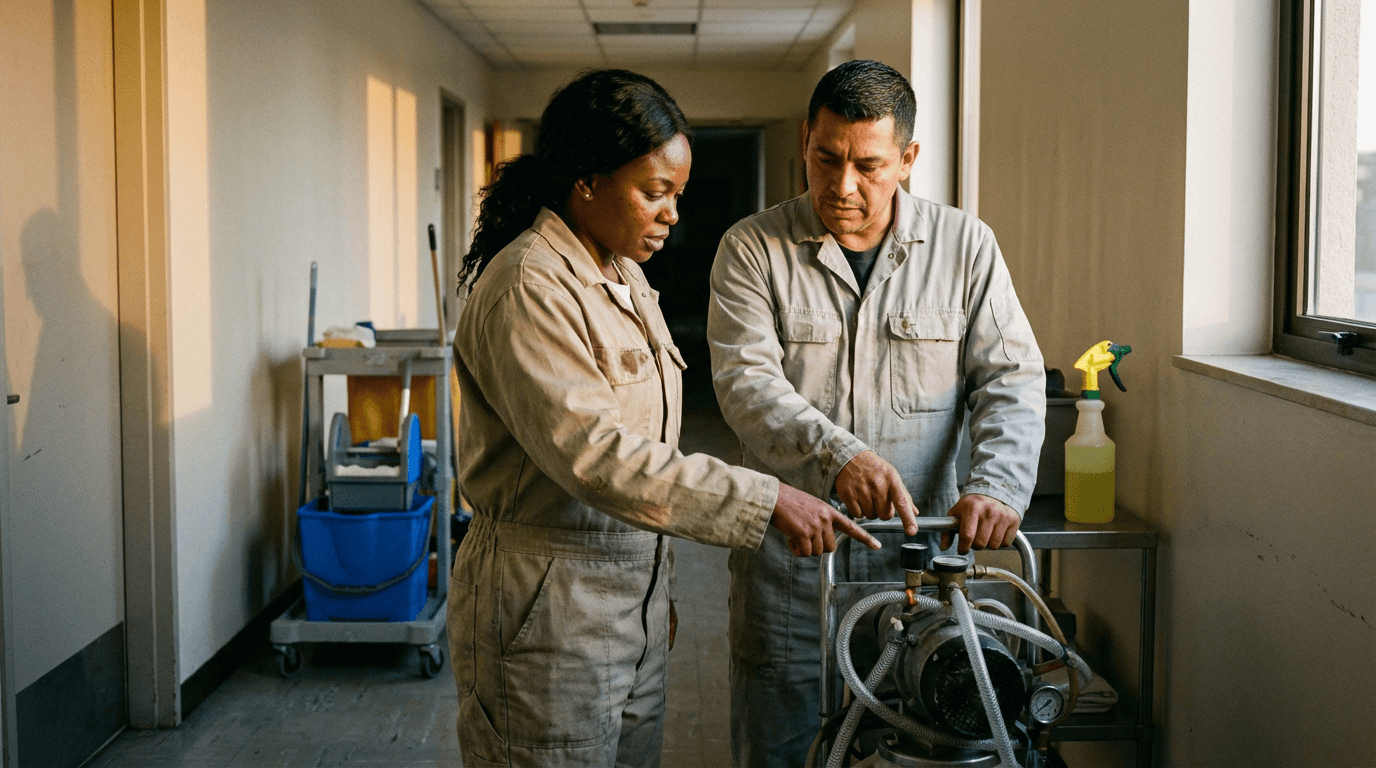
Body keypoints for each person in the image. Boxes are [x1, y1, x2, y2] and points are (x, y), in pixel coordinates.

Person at [446, 69, 878, 768]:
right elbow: (598, 456)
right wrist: (765, 499)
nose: (674, 213)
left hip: (627, 608)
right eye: (655, 193)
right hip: (548, 613)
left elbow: (649, 443)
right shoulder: (530, 285)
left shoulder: (622, 274)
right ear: (587, 181)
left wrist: (653, 593)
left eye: (676, 193)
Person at [706, 60, 1046, 766]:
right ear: (805, 138)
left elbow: (1010, 377)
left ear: (909, 158)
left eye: (869, 165)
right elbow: (746, 384)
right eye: (826, 159)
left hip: (928, 565)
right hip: (793, 573)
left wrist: (998, 486)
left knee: (922, 749)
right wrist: (838, 457)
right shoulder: (751, 249)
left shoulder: (965, 248)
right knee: (783, 749)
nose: (843, 187)